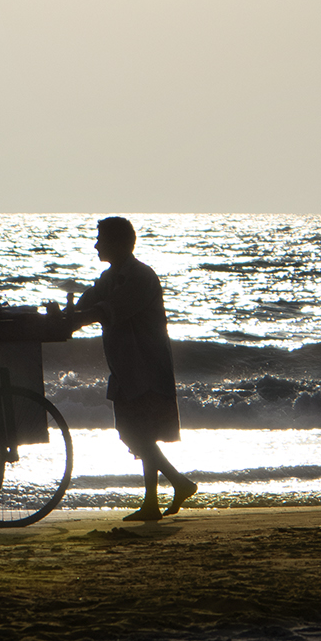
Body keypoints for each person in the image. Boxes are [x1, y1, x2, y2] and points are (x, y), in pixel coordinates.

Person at [74, 216, 197, 520]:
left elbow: (110, 309)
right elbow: (90, 300)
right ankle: (160, 497)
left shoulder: (141, 277)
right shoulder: (110, 276)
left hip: (146, 367)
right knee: (135, 434)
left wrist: (80, 317)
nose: (96, 244)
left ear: (117, 243)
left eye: (101, 239)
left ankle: (173, 487)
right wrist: (66, 314)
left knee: (139, 434)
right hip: (126, 368)